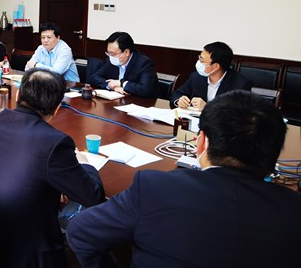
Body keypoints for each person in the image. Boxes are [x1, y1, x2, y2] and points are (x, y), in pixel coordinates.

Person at [66, 90, 301, 267]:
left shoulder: (155, 188)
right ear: (274, 151)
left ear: (202, 142)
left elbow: (80, 232)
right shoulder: (293, 210)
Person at [0, 68, 105, 267]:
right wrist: (85, 163)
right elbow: (92, 196)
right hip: (23, 252)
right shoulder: (55, 143)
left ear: (18, 96)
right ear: (57, 108)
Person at [170, 41, 252, 110]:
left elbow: (238, 113)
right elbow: (176, 94)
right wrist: (179, 100)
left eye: (202, 60)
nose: (198, 62)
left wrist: (208, 108)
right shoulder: (196, 77)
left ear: (216, 66)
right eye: (199, 57)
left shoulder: (240, 84)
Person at [90, 31, 158, 97]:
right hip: (116, 100)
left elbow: (145, 89)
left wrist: (122, 83)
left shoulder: (143, 63)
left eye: (113, 54)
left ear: (126, 52)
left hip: (140, 102)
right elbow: (94, 77)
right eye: (108, 53)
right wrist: (112, 86)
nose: (110, 56)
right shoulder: (110, 60)